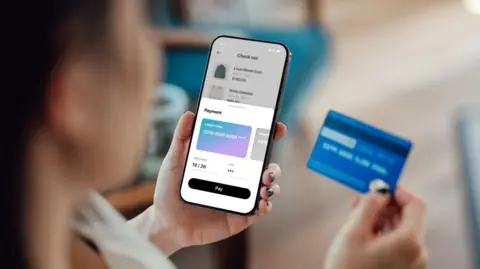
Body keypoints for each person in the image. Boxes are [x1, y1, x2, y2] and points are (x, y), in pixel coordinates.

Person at [0, 1, 427, 269]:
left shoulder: (63, 220)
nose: (155, 58)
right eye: (138, 29)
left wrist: (164, 228)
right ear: (71, 94)